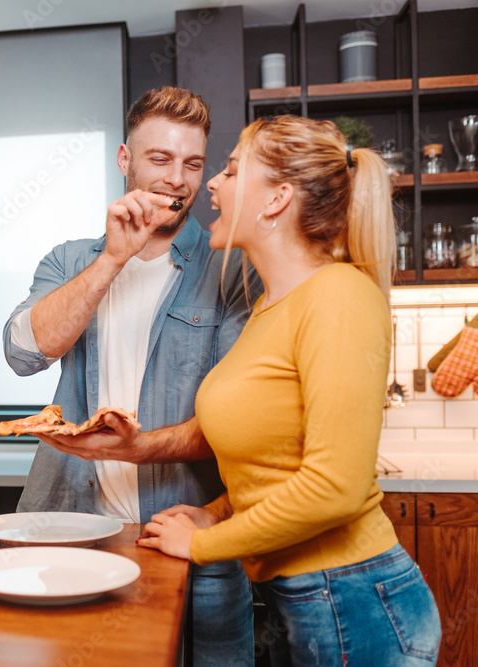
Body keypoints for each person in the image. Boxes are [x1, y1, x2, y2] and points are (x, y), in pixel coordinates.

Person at [136, 115, 442, 664]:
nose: (211, 184)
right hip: (312, 597)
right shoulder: (269, 308)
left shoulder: (339, 297)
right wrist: (216, 512)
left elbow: (335, 487)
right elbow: (277, 464)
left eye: (231, 171)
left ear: (276, 199)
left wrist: (202, 545)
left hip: (357, 598)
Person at [4, 87, 257, 665]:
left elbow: (236, 420)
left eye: (193, 164)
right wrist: (112, 259)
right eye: (160, 160)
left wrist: (139, 447)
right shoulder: (72, 260)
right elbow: (24, 352)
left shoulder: (232, 266)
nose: (177, 179)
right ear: (125, 160)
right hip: (72, 534)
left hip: (191, 539)